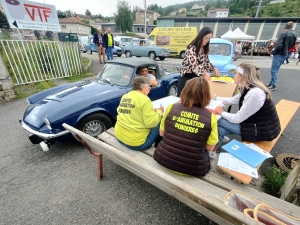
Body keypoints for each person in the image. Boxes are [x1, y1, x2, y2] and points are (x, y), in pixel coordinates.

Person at [153, 77, 218, 176]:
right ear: (206, 95)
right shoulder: (211, 117)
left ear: (185, 91)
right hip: (193, 168)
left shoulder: (171, 108)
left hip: (165, 159)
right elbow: (210, 147)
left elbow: (162, 133)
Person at [214, 62, 281, 153]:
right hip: (258, 125)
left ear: (244, 76)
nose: (234, 76)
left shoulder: (255, 94)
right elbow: (233, 100)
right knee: (221, 129)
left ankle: (213, 146)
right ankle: (213, 149)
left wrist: (221, 112)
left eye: (236, 73)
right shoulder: (249, 86)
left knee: (216, 120)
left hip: (262, 131)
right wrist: (215, 98)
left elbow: (237, 119)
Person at [115, 76, 164, 151]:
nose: (149, 90)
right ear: (142, 87)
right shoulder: (145, 99)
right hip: (136, 143)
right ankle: (159, 149)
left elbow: (131, 111)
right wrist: (160, 111)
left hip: (119, 136)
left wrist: (150, 111)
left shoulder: (125, 96)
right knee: (160, 121)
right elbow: (151, 123)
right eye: (149, 88)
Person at [177, 27, 219, 97]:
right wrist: (204, 73)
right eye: (206, 38)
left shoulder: (204, 49)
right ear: (201, 36)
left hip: (196, 77)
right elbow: (194, 65)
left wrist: (213, 68)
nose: (207, 41)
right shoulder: (191, 48)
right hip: (186, 76)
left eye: (209, 39)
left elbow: (206, 62)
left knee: (194, 98)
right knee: (182, 98)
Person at [267, 21, 297, 91]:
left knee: (273, 70)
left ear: (284, 27)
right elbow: (293, 44)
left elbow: (279, 44)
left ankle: (273, 84)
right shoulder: (294, 33)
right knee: (276, 69)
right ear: (292, 27)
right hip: (285, 53)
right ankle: (271, 83)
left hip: (279, 53)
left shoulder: (283, 33)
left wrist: (274, 52)